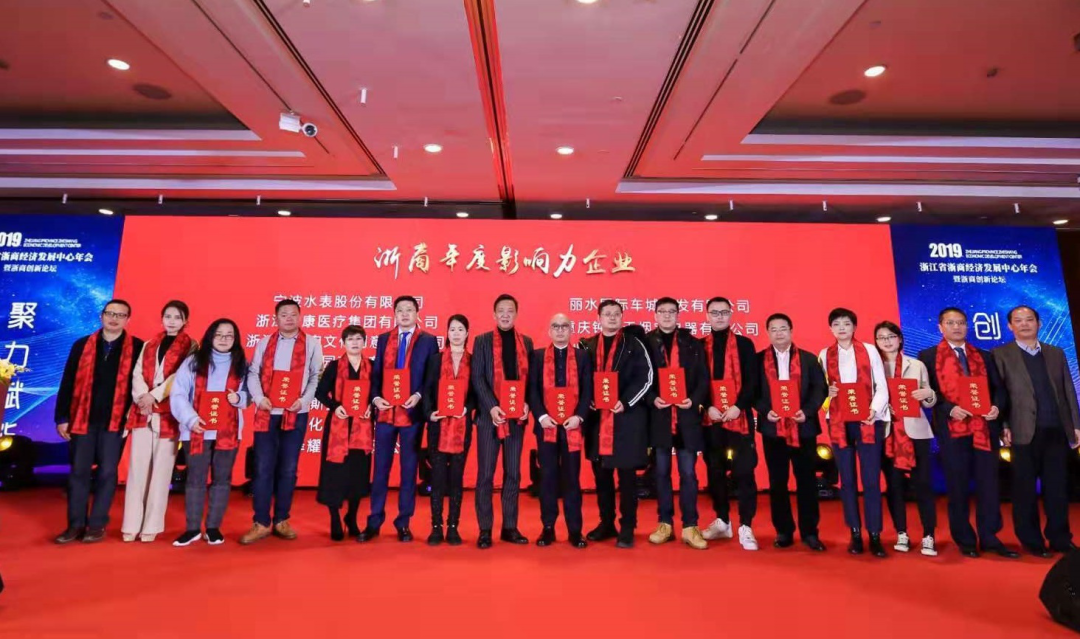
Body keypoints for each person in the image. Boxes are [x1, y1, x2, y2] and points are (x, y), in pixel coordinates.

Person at [918, 307, 1018, 559]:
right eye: (951, 323)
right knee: (958, 486)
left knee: (989, 485)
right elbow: (928, 393)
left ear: (967, 326)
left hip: (984, 429)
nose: (957, 327)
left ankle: (990, 537)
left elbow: (999, 389)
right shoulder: (927, 357)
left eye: (961, 322)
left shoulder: (984, 356)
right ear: (940, 327)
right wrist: (949, 408)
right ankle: (965, 539)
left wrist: (997, 408)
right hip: (952, 431)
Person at [993, 305, 1080, 557]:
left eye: (1029, 319)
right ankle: (1031, 541)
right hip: (1021, 431)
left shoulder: (1055, 353)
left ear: (1039, 323)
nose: (1024, 324)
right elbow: (999, 394)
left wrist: (1075, 424)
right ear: (1010, 326)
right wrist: (1004, 427)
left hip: (1056, 431)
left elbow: (1068, 390)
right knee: (1024, 491)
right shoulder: (1000, 354)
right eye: (1018, 320)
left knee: (1057, 489)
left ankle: (1060, 539)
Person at [54, 299, 143, 544]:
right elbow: (67, 381)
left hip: (115, 422)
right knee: (79, 472)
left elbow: (140, 386)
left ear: (128, 320)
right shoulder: (82, 345)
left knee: (107, 473)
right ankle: (75, 525)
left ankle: (97, 525)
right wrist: (62, 418)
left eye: (121, 315)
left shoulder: (137, 347)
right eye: (110, 313)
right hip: (82, 420)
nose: (114, 319)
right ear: (101, 316)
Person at [240, 299, 323, 544]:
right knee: (263, 467)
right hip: (267, 412)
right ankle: (261, 522)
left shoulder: (312, 343)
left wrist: (304, 400)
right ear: (276, 318)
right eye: (284, 314)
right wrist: (259, 398)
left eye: (293, 314)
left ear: (300, 317)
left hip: (296, 413)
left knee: (288, 468)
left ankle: (281, 519)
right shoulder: (265, 343)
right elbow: (253, 373)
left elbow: (316, 376)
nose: (289, 318)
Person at [359, 296, 438, 543]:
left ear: (417, 313)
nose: (404, 314)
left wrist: (418, 395)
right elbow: (377, 374)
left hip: (412, 414)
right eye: (400, 310)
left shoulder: (428, 340)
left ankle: (403, 522)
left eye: (409, 310)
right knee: (380, 469)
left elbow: (431, 376)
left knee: (408, 470)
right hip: (385, 413)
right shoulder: (385, 339)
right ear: (394, 314)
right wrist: (375, 398)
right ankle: (374, 521)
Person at [169, 318, 250, 546]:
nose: (224, 339)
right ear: (210, 336)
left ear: (235, 339)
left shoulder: (242, 364)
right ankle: (193, 528)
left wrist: (239, 398)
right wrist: (191, 419)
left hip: (228, 431)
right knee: (195, 479)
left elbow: (250, 393)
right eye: (219, 334)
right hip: (197, 429)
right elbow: (178, 393)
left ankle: (213, 527)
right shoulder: (194, 361)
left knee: (222, 480)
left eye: (229, 335)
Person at [122, 300, 196, 543]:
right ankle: (131, 525)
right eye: (168, 316)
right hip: (143, 412)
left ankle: (151, 526)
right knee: (137, 470)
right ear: (162, 318)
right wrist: (143, 397)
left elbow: (181, 377)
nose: (172, 321)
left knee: (161, 473)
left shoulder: (191, 346)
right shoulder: (149, 344)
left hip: (169, 415)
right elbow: (136, 374)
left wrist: (154, 396)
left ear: (185, 321)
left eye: (177, 317)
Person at [581, 300, 653, 549]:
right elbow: (579, 378)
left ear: (622, 317)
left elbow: (646, 377)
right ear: (598, 318)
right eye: (607, 314)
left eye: (616, 314)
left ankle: (628, 526)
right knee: (602, 476)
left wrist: (626, 402)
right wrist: (587, 400)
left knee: (627, 478)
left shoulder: (634, 344)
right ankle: (607, 523)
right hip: (597, 422)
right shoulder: (588, 345)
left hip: (626, 420)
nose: (612, 318)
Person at [818, 308, 890, 558]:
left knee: (871, 480)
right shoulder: (824, 354)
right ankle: (855, 533)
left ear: (854, 327)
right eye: (836, 324)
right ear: (830, 328)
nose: (841, 328)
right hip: (839, 422)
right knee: (847, 480)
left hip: (868, 420)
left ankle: (875, 535)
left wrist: (873, 410)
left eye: (846, 323)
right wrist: (828, 394)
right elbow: (820, 392)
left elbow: (882, 385)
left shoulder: (869, 350)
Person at [754, 313, 827, 552]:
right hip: (773, 429)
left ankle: (810, 532)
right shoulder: (758, 360)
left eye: (783, 328)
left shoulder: (808, 359)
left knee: (807, 481)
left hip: (803, 427)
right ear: (767, 333)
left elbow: (820, 389)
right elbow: (752, 391)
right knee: (778, 482)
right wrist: (765, 411)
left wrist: (807, 411)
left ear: (791, 331)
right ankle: (784, 531)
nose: (779, 333)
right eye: (773, 329)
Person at [644, 297, 710, 550]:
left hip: (686, 417)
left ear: (678, 314)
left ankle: (690, 526)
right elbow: (640, 377)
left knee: (688, 473)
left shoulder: (692, 343)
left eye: (672, 311)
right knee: (661, 473)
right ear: (655, 315)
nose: (667, 316)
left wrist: (693, 400)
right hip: (660, 417)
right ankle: (665, 523)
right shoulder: (647, 343)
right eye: (662, 311)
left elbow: (703, 378)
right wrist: (652, 398)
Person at [471, 294, 535, 549]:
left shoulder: (526, 343)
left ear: (516, 314)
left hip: (516, 419)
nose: (505, 315)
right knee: (485, 475)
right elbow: (477, 377)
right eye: (501, 311)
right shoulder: (482, 341)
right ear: (494, 314)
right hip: (490, 419)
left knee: (513, 474)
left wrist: (527, 404)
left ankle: (510, 527)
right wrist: (492, 406)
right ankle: (485, 529)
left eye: (510, 310)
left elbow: (530, 379)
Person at [699, 296, 761, 551]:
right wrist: (707, 406)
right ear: (707, 316)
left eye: (724, 312)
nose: (719, 317)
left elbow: (753, 380)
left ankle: (746, 525)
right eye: (714, 313)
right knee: (715, 471)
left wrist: (738, 406)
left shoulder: (745, 345)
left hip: (739, 417)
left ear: (731, 314)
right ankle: (723, 521)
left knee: (744, 472)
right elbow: (697, 381)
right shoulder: (700, 346)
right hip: (711, 419)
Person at [874, 321, 939, 556]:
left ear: (900, 339)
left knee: (923, 484)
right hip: (887, 432)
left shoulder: (917, 364)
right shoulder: (873, 367)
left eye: (891, 336)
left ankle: (929, 535)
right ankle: (901, 532)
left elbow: (929, 401)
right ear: (876, 342)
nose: (887, 341)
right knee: (894, 486)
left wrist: (928, 394)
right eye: (881, 337)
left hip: (916, 431)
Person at [529, 313, 593, 549]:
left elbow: (588, 390)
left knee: (572, 479)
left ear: (571, 330)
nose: (560, 330)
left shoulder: (582, 357)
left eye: (564, 326)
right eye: (555, 326)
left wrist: (579, 417)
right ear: (549, 331)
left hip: (572, 426)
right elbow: (532, 390)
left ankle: (575, 530)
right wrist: (541, 417)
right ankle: (548, 527)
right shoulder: (537, 356)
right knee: (547, 478)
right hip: (546, 426)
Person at [315, 325, 375, 541]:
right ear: (343, 343)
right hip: (338, 427)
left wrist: (372, 406)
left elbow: (377, 393)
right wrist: (335, 406)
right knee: (335, 473)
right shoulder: (334, 366)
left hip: (362, 428)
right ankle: (334, 518)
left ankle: (351, 517)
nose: (355, 343)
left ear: (365, 342)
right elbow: (320, 393)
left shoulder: (372, 366)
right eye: (350, 339)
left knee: (358, 473)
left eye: (359, 339)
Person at [422, 314, 475, 546]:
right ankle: (436, 527)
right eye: (452, 329)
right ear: (447, 333)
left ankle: (453, 526)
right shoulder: (435, 360)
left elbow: (476, 392)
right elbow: (427, 390)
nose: (456, 333)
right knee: (437, 477)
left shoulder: (473, 361)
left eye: (460, 329)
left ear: (467, 333)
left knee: (456, 478)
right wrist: (429, 413)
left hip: (462, 427)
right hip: (438, 425)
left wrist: (467, 408)